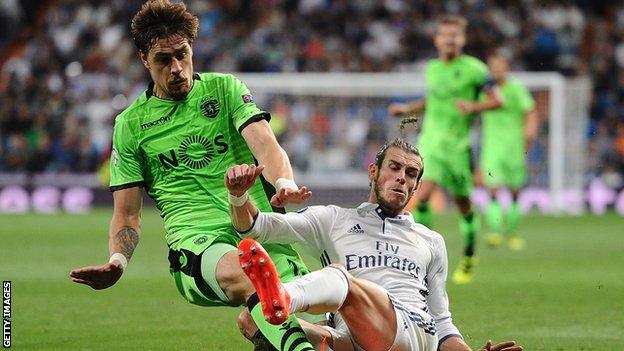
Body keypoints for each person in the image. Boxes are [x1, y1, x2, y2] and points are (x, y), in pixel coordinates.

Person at [68, 1, 318, 350]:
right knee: (254, 278)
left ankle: (255, 324)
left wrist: (285, 183)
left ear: (192, 49)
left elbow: (266, 146)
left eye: (182, 55)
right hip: (198, 245)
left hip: (262, 230)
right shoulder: (131, 125)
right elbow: (127, 214)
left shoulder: (224, 90)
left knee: (323, 316)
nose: (177, 68)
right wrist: (117, 261)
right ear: (143, 59)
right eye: (163, 60)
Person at [226, 138, 522, 351]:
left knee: (340, 277)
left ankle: (282, 297)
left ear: (417, 187)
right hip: (351, 338)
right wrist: (239, 197)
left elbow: (443, 324)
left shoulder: (430, 240)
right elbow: (254, 227)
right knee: (252, 319)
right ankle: (277, 305)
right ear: (373, 172)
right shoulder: (333, 219)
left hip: (412, 333)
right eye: (394, 168)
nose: (401, 179)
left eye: (411, 174)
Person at [387, 15, 503, 284]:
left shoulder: (476, 69)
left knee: (463, 204)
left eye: (454, 35)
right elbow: (433, 100)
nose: (449, 40)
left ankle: (470, 254)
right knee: (422, 195)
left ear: (462, 39)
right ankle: (425, 257)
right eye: (445, 35)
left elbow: (497, 100)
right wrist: (406, 109)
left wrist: (473, 107)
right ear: (437, 40)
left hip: (458, 148)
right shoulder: (433, 68)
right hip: (431, 144)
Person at [479, 53, 538, 250]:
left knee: (514, 192)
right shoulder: (485, 91)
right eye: (493, 67)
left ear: (507, 67)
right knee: (493, 190)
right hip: (493, 147)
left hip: (515, 147)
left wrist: (530, 132)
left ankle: (512, 233)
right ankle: (495, 232)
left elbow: (530, 111)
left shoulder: (516, 89)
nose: (496, 71)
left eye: (499, 66)